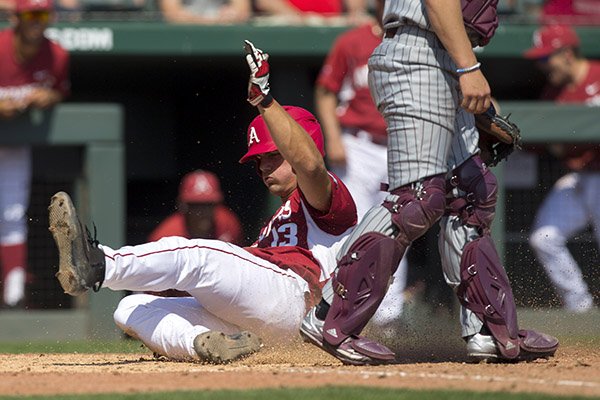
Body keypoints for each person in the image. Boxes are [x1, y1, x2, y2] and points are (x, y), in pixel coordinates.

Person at [47, 40, 366, 364]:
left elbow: (310, 166)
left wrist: (265, 102)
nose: (263, 168)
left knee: (199, 255)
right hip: (268, 320)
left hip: (298, 300)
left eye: (272, 157)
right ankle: (205, 346)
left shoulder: (325, 196)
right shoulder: (278, 218)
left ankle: (100, 264)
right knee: (131, 307)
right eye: (258, 162)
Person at [299, 0, 559, 365]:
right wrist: (469, 67)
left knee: (470, 192)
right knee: (416, 200)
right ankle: (331, 314)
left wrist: (463, 65)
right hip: (423, 51)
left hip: (445, 53)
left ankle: (488, 329)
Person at [314, 2, 407, 330]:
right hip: (358, 146)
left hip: (400, 145)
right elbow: (326, 92)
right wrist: (334, 137)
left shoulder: (414, 40)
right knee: (352, 227)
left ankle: (388, 317)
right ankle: (335, 306)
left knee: (400, 227)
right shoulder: (352, 41)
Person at [525, 24, 599, 313]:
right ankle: (580, 308)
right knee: (544, 238)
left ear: (567, 54)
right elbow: (543, 144)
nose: (542, 66)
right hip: (581, 178)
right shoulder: (553, 93)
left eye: (546, 58)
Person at [0, 0, 69, 309]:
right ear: (16, 17)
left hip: (14, 144)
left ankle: (13, 292)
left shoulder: (56, 55)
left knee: (13, 214)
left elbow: (60, 90)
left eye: (42, 14)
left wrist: (50, 97)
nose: (36, 21)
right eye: (30, 14)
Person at [148, 169, 243, 245]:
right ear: (183, 206)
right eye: (196, 206)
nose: (203, 212)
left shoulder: (228, 222)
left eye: (209, 205)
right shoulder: (165, 237)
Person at [158, 0, 250, 24]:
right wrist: (213, 21)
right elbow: (172, 14)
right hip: (183, 39)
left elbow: (242, 12)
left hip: (223, 37)